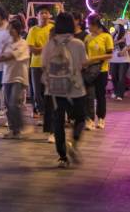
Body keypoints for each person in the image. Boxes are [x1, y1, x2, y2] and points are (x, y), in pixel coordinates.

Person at [41, 12, 88, 168]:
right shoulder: (78, 43)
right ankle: (73, 142)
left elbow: (43, 65)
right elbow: (84, 64)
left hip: (54, 89)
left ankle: (62, 157)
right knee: (80, 118)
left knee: (58, 122)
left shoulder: (49, 44)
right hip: (75, 88)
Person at [0, 19, 30, 139]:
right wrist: (7, 56)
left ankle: (19, 128)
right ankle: (13, 129)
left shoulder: (23, 43)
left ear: (17, 30)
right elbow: (0, 58)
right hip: (7, 77)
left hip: (19, 77)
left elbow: (14, 56)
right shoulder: (7, 44)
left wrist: (8, 56)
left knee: (14, 102)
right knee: (8, 104)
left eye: (11, 28)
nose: (9, 30)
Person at [27, 6, 55, 141]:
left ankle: (48, 119)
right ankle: (43, 116)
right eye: (41, 13)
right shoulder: (33, 30)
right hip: (36, 65)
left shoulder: (53, 29)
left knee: (48, 93)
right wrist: (45, 48)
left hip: (50, 66)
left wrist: (40, 48)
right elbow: (32, 49)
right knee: (37, 92)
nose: (44, 15)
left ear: (49, 15)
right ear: (37, 16)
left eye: (46, 13)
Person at [83, 14, 114, 130]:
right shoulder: (87, 38)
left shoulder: (106, 37)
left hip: (102, 70)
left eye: (88, 25)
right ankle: (89, 119)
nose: (87, 27)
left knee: (100, 95)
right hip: (89, 71)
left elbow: (110, 54)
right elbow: (84, 53)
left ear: (95, 25)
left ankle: (101, 118)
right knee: (89, 96)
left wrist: (94, 59)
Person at [110, 20, 130, 101]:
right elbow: (110, 45)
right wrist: (119, 41)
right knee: (114, 76)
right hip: (113, 59)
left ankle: (120, 94)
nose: (115, 26)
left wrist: (124, 50)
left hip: (123, 60)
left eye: (116, 24)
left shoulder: (126, 34)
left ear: (120, 26)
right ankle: (116, 91)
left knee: (121, 77)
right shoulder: (112, 34)